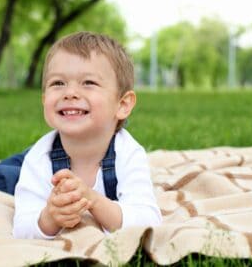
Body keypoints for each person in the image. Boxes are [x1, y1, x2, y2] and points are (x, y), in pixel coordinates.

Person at [12, 31, 162, 239]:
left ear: (122, 104)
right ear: (44, 98)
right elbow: (21, 228)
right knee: (0, 178)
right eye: (58, 83)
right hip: (26, 163)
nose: (70, 92)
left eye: (88, 83)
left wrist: (93, 200)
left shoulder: (128, 153)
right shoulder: (39, 158)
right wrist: (48, 219)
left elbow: (148, 221)